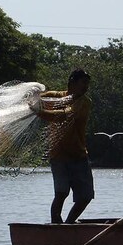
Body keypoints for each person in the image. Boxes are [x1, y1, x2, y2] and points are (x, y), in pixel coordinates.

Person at [31, 69, 94, 224]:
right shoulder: (59, 96)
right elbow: (39, 97)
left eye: (87, 84)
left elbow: (63, 116)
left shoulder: (84, 103)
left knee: (85, 197)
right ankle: (56, 224)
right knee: (61, 193)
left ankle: (68, 224)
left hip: (78, 155)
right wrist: (32, 98)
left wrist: (39, 111)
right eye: (83, 83)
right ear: (71, 83)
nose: (86, 87)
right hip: (59, 156)